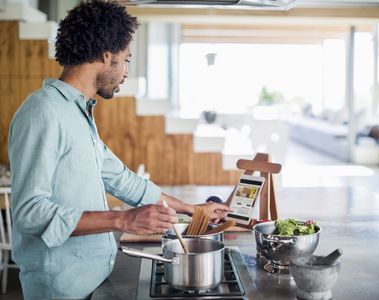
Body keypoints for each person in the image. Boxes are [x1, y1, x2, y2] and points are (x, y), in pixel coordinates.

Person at [8, 1, 231, 299]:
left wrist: (193, 210)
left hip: (93, 279)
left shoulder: (77, 113)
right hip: (61, 289)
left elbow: (125, 180)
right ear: (106, 56)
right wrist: (123, 220)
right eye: (126, 60)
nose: (126, 72)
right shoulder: (43, 111)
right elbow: (30, 213)